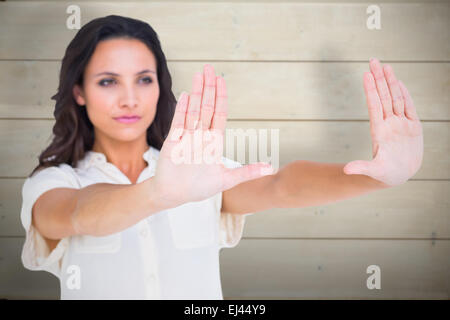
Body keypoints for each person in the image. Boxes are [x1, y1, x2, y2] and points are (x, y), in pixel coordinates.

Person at [20, 15, 424, 300]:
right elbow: (76, 214)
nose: (130, 99)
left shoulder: (197, 172)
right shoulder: (55, 183)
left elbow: (280, 185)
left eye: (144, 79)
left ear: (160, 86)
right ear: (78, 91)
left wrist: (378, 176)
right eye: (108, 81)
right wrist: (158, 194)